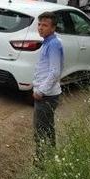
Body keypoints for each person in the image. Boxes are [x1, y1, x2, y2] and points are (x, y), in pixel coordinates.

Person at [32, 11, 63, 154]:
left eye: (45, 25)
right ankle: (48, 159)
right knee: (46, 128)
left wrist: (41, 91)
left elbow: (55, 71)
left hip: (47, 96)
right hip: (46, 94)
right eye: (39, 24)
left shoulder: (54, 44)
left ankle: (43, 162)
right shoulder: (47, 42)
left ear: (53, 28)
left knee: (42, 130)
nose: (40, 27)